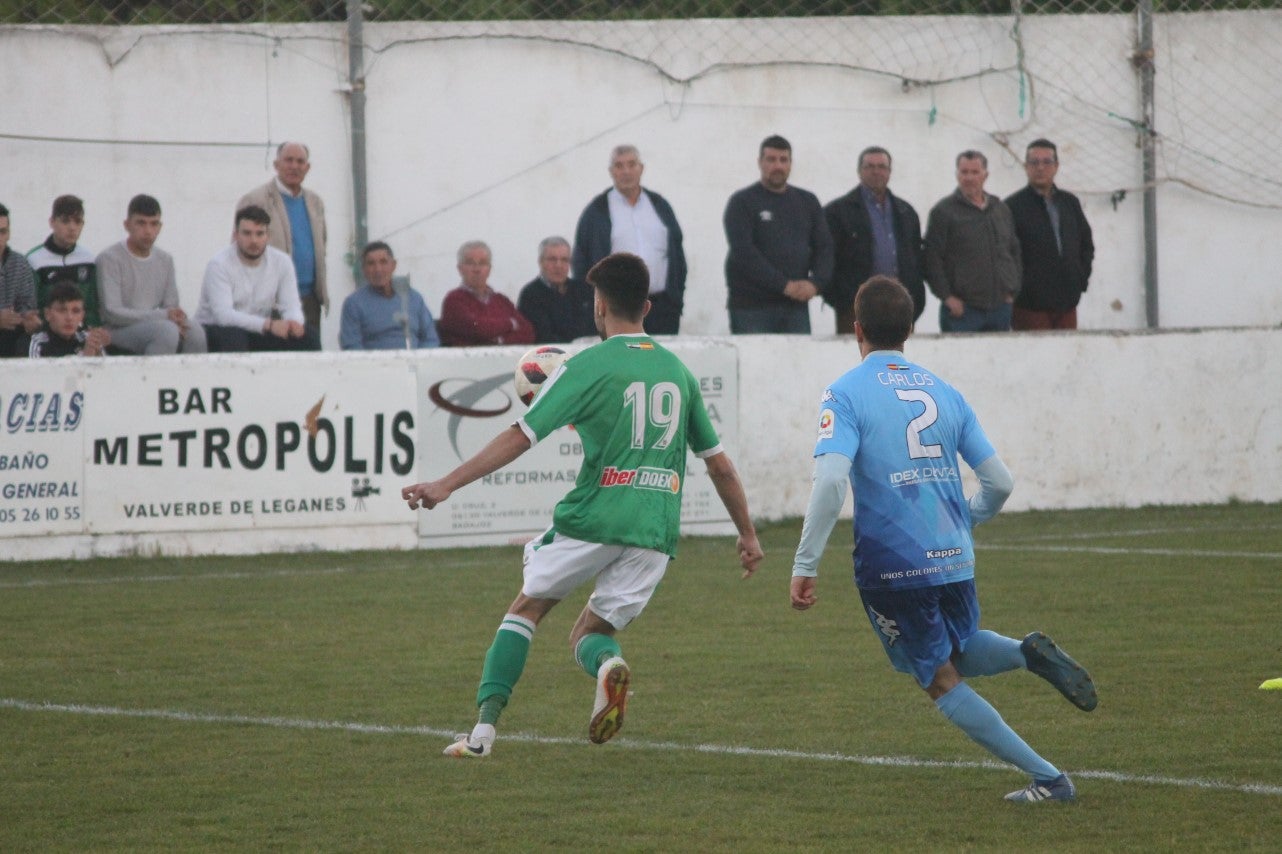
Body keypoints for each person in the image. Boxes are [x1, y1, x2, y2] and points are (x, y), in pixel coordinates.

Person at [404, 252, 763, 758]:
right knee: (590, 633)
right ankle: (607, 667)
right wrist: (747, 535)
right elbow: (720, 465)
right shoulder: (679, 373)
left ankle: (482, 735)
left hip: (597, 516)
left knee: (527, 610)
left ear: (598, 306)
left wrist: (447, 484)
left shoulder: (587, 366)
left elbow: (519, 436)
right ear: (646, 307)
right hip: (657, 527)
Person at [789, 275, 1097, 804]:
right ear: (910, 329)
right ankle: (1027, 653)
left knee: (936, 676)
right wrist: (967, 518)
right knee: (954, 647)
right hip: (954, 554)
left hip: (892, 564)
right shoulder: (944, 390)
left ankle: (1049, 778)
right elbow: (1000, 480)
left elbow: (832, 479)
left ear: (855, 329)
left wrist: (805, 562)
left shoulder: (844, 393)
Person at [723, 135, 833, 334]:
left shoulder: (807, 201)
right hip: (751, 309)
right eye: (771, 159)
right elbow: (743, 252)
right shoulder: (742, 202)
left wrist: (816, 284)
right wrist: (784, 285)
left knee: (797, 364)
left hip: (796, 307)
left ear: (791, 164)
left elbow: (824, 247)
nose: (778, 166)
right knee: (756, 363)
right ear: (760, 162)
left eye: (783, 160)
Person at [572, 145, 687, 335]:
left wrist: (676, 299)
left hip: (663, 309)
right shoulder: (597, 211)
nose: (626, 171)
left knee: (657, 363)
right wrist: (595, 307)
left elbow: (677, 254)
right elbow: (582, 260)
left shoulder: (659, 205)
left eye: (631, 164)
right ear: (611, 172)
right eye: (619, 166)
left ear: (641, 168)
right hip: (619, 310)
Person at [823, 146, 926, 332]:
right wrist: (843, 301)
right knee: (859, 359)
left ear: (889, 171)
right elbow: (826, 259)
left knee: (897, 361)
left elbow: (917, 259)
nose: (876, 171)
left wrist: (915, 301)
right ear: (859, 171)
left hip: (900, 308)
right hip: (855, 310)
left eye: (882, 166)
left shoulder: (906, 212)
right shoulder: (838, 212)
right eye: (869, 166)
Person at [195, 205, 319, 353]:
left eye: (260, 234)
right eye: (247, 233)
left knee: (308, 337)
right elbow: (223, 316)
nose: (253, 240)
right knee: (233, 336)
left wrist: (294, 323)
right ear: (235, 235)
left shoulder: (282, 262)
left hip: (258, 329)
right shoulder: (219, 265)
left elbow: (291, 305)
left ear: (268, 236)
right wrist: (269, 325)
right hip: (216, 330)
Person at [924, 151, 1022, 332]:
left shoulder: (1000, 209)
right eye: (964, 172)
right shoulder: (943, 212)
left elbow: (1013, 250)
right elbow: (932, 258)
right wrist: (947, 298)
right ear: (957, 175)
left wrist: (1012, 290)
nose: (969, 178)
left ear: (985, 175)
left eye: (975, 172)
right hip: (963, 312)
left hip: (1000, 308)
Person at [96, 194, 207, 355]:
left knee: (195, 331)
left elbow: (171, 304)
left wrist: (176, 318)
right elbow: (112, 312)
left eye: (153, 224)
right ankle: (156, 380)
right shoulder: (109, 258)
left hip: (154, 323)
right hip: (117, 330)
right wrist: (164, 316)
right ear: (127, 225)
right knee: (166, 332)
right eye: (141, 223)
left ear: (160, 227)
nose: (148, 231)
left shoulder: (165, 260)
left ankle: (192, 379)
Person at [238, 142, 328, 338]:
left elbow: (322, 247)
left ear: (308, 168)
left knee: (307, 361)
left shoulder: (315, 202)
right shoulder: (257, 199)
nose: (294, 166)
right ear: (276, 164)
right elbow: (239, 250)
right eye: (288, 160)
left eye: (300, 161)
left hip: (308, 300)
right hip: (269, 301)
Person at [1005, 139, 1095, 330]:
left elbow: (1086, 244)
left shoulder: (1070, 203)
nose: (1040, 168)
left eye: (1046, 162)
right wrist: (1016, 289)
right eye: (1034, 162)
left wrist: (1080, 279)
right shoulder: (1012, 206)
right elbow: (1004, 253)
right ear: (1026, 167)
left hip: (1067, 303)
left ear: (1056, 166)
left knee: (1067, 357)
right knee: (1036, 358)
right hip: (1029, 306)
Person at [339, 241, 440, 350]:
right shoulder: (354, 304)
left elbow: (431, 339)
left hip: (414, 364)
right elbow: (352, 346)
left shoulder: (413, 298)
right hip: (376, 365)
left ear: (393, 265)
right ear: (363, 269)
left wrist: (419, 362)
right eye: (371, 264)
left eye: (383, 262)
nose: (378, 269)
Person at [27, 195, 106, 333]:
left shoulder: (88, 260)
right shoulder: (34, 260)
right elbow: (30, 308)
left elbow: (93, 307)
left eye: (77, 222)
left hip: (82, 335)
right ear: (52, 222)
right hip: (46, 335)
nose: (72, 228)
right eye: (65, 221)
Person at [437, 240, 535, 347]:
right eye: (470, 263)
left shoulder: (501, 300)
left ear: (489, 269)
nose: (477, 269)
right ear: (460, 269)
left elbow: (528, 332)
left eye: (482, 263)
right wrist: (510, 323)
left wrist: (500, 341)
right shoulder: (453, 300)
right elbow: (477, 329)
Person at [518, 236, 596, 343]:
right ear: (541, 262)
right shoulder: (531, 295)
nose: (559, 265)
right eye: (552, 259)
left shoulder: (584, 291)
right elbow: (542, 336)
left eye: (564, 260)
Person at [0, 203, 41, 358]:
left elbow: (27, 304)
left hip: (12, 335)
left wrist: (27, 319)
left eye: (3, 232)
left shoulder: (20, 263)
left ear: (9, 233)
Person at [28, 282, 111, 357]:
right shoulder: (37, 344)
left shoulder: (88, 339)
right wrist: (86, 357)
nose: (69, 317)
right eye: (62, 310)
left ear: (82, 315)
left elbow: (107, 373)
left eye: (76, 311)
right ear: (47, 314)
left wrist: (98, 354)